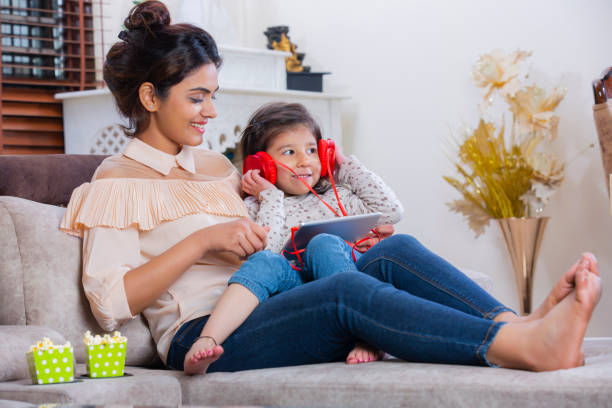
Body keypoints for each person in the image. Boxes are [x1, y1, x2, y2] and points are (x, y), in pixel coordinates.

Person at [61, 0, 602, 378]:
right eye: (197, 98)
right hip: (205, 333)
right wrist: (202, 243)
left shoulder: (218, 169)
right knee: (344, 294)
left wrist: (338, 230)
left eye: (214, 96)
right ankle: (524, 348)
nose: (211, 111)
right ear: (152, 97)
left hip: (277, 296)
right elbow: (110, 304)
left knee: (395, 250)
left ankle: (518, 322)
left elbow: (274, 234)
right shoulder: (117, 180)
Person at [191, 101, 404, 374]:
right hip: (299, 295)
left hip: (347, 286)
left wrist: (344, 165)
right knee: (267, 261)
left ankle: (365, 334)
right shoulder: (261, 206)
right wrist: (270, 196)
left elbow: (392, 212)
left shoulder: (340, 197)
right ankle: (207, 340)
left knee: (324, 243)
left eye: (313, 151)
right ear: (262, 164)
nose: (305, 161)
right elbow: (267, 251)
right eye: (289, 152)